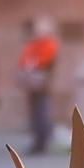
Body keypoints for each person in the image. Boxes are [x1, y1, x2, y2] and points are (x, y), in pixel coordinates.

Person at [17, 18, 60, 155]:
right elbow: (24, 59)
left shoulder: (50, 45)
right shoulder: (34, 45)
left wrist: (32, 63)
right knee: (34, 114)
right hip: (32, 84)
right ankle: (37, 140)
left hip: (42, 85)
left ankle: (43, 141)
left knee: (42, 113)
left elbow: (43, 61)